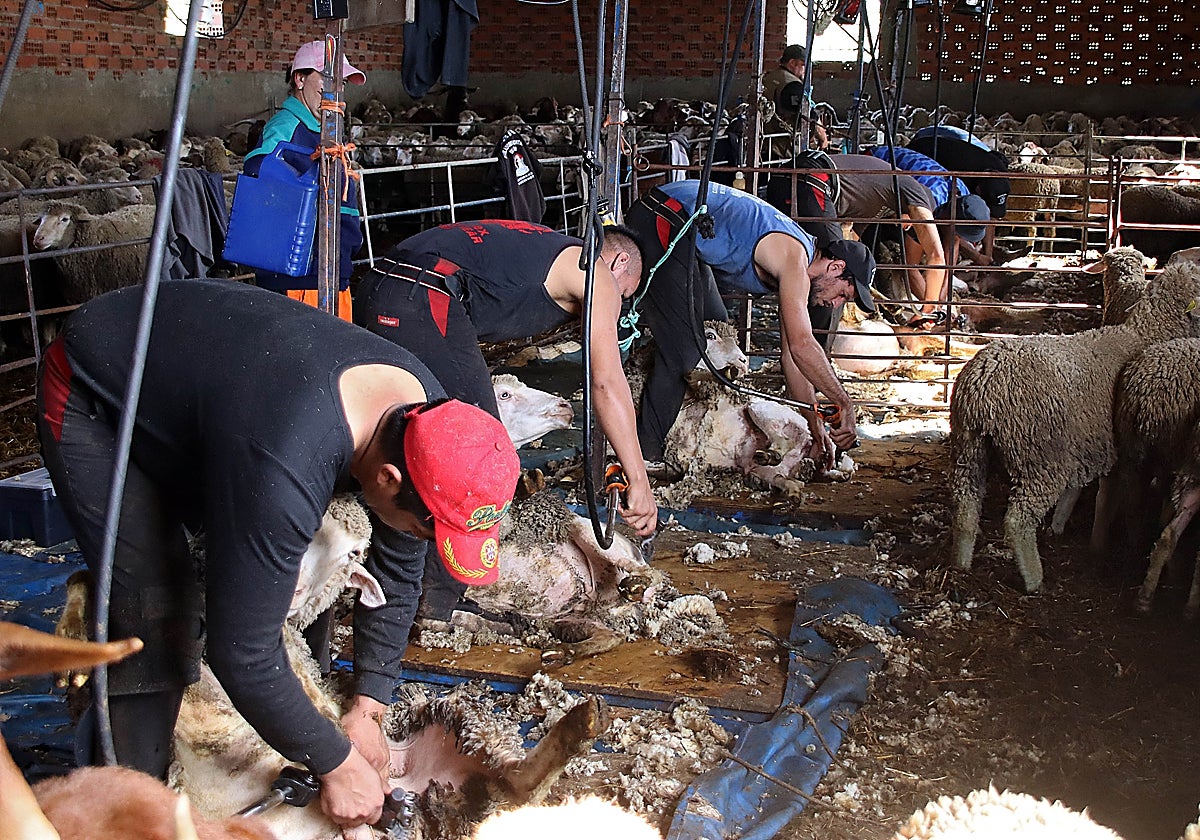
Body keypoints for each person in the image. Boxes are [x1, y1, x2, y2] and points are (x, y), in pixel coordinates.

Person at [36, 278, 520, 830]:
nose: (422, 537)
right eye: (426, 525)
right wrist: (336, 763)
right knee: (156, 600)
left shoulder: (426, 417)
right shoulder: (286, 461)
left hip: (225, 395)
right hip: (94, 389)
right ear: (387, 478)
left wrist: (369, 704)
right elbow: (240, 647)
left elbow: (401, 559)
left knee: (287, 572)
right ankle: (129, 805)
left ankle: (296, 726)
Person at [353, 220, 659, 621]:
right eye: (625, 293)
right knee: (475, 449)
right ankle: (436, 604)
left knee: (411, 438)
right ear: (618, 261)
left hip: (382, 283)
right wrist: (639, 478)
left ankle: (394, 588)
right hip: (423, 294)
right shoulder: (596, 273)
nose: (618, 304)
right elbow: (606, 384)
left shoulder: (542, 249)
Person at [624, 179, 877, 466]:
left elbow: (792, 358)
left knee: (717, 329)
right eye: (843, 294)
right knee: (684, 353)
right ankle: (645, 457)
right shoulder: (795, 259)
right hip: (664, 215)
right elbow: (803, 344)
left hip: (686, 232)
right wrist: (844, 402)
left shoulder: (798, 268)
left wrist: (815, 425)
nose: (836, 304)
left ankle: (681, 424)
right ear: (836, 267)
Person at [242, 40, 367, 321]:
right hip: (301, 278)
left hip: (332, 271)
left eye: (341, 82)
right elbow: (257, 169)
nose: (335, 89)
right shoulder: (287, 126)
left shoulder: (325, 132)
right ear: (300, 79)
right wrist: (309, 174)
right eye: (326, 79)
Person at [765, 153, 947, 328]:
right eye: (910, 225)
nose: (905, 228)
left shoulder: (877, 202)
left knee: (813, 264)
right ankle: (818, 351)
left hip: (788, 178)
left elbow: (851, 243)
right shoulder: (914, 191)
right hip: (812, 180)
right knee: (836, 274)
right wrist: (929, 308)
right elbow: (936, 255)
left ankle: (797, 335)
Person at [868, 144, 993, 267]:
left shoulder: (964, 196)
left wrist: (947, 280)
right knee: (895, 230)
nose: (958, 237)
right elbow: (911, 266)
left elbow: (953, 239)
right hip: (873, 163)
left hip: (899, 171)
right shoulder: (929, 199)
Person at [762, 44, 828, 162]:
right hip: (783, 148)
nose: (805, 70)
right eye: (803, 65)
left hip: (764, 142)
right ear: (792, 63)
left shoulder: (769, 77)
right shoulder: (792, 84)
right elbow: (809, 115)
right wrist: (823, 138)